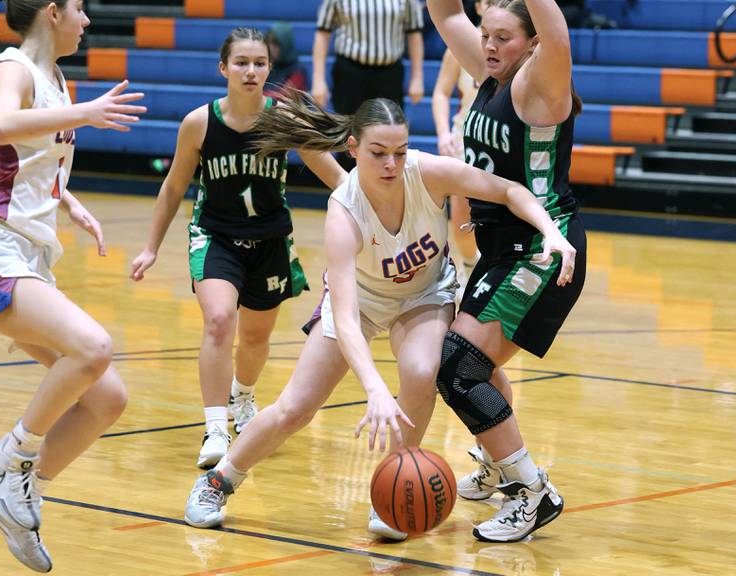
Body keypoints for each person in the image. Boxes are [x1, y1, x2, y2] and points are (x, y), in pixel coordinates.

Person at [181, 92, 577, 543]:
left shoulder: (427, 173)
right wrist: (373, 389)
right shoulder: (343, 211)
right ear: (352, 148)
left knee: (423, 370)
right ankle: (219, 480)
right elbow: (347, 319)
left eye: (400, 151)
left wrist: (551, 232)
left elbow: (507, 189)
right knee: (295, 407)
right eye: (378, 153)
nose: (391, 163)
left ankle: (393, 494)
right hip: (363, 303)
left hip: (423, 295)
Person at [0, 0, 146, 571]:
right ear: (52, 12)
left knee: (108, 397)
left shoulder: (56, 80)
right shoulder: (11, 70)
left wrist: (71, 202)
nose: (87, 21)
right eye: (80, 9)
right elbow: (3, 126)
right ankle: (10, 458)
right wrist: (85, 114)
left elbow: (23, 160)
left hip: (28, 251)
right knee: (94, 346)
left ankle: (12, 497)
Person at [129, 28, 343, 471]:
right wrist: (150, 247)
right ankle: (215, 427)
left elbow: (336, 177)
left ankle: (242, 395)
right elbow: (173, 188)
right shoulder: (199, 123)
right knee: (220, 320)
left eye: (260, 63)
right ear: (223, 68)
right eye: (241, 63)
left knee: (255, 338)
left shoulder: (282, 118)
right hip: (215, 235)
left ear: (269, 68)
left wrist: (372, 214)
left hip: (269, 239)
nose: (251, 71)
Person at [428, 0, 587, 542]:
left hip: (543, 250)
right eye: (486, 35)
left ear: (532, 43)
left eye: (504, 37)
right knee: (480, 367)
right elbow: (447, 15)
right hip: (500, 248)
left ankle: (531, 491)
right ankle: (501, 467)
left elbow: (557, 29)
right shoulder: (493, 70)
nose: (490, 46)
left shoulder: (540, 82)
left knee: (457, 366)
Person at [312, 0, 426, 170]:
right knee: (347, 136)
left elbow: (414, 33)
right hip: (349, 73)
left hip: (389, 74)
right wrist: (318, 79)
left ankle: (385, 190)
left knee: (390, 134)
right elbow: (323, 33)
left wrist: (417, 77)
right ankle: (347, 191)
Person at [430, 0, 488, 296]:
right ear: (478, 6)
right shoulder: (461, 45)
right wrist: (443, 133)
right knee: (461, 219)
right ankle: (467, 266)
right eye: (489, 1)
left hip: (499, 143)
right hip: (466, 141)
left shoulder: (518, 46)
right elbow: (440, 92)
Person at [264, 22, 308, 96]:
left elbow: (283, 98)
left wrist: (258, 99)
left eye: (275, 44)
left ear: (286, 45)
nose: (270, 47)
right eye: (268, 42)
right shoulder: (268, 66)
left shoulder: (298, 71)